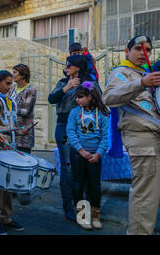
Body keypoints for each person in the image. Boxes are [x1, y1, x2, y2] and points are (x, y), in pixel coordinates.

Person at [103, 35, 160, 235]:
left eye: (148, 50)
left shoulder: (147, 73)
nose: (144, 53)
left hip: (155, 137)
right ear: (127, 52)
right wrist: (141, 83)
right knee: (146, 194)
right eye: (138, 48)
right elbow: (109, 97)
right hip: (142, 138)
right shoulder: (121, 72)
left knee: (152, 194)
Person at [48, 55, 99, 221]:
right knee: (68, 167)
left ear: (78, 67)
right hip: (63, 126)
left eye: (69, 65)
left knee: (83, 167)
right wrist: (67, 87)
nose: (66, 67)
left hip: (84, 127)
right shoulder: (63, 82)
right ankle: (68, 205)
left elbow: (99, 101)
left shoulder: (88, 83)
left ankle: (84, 206)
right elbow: (51, 99)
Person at [0, 70, 24, 235]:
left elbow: (9, 121)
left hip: (9, 143)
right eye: (7, 83)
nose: (10, 87)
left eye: (11, 83)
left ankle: (6, 217)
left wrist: (17, 131)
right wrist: (0, 134)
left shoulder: (7, 100)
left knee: (9, 183)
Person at [67, 82, 109, 230]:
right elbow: (71, 133)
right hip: (79, 155)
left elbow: (105, 137)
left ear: (90, 97)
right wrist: (81, 150)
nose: (77, 100)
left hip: (95, 156)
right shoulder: (74, 112)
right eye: (76, 97)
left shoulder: (103, 114)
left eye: (80, 97)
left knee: (94, 186)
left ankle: (95, 215)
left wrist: (98, 153)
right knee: (78, 185)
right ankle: (82, 216)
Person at [9, 64, 37, 205]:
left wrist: (10, 108)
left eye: (15, 72)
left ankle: (24, 192)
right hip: (13, 130)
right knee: (13, 161)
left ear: (22, 75)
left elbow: (25, 110)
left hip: (24, 131)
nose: (12, 75)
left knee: (24, 162)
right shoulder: (13, 88)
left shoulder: (31, 89)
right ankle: (13, 189)